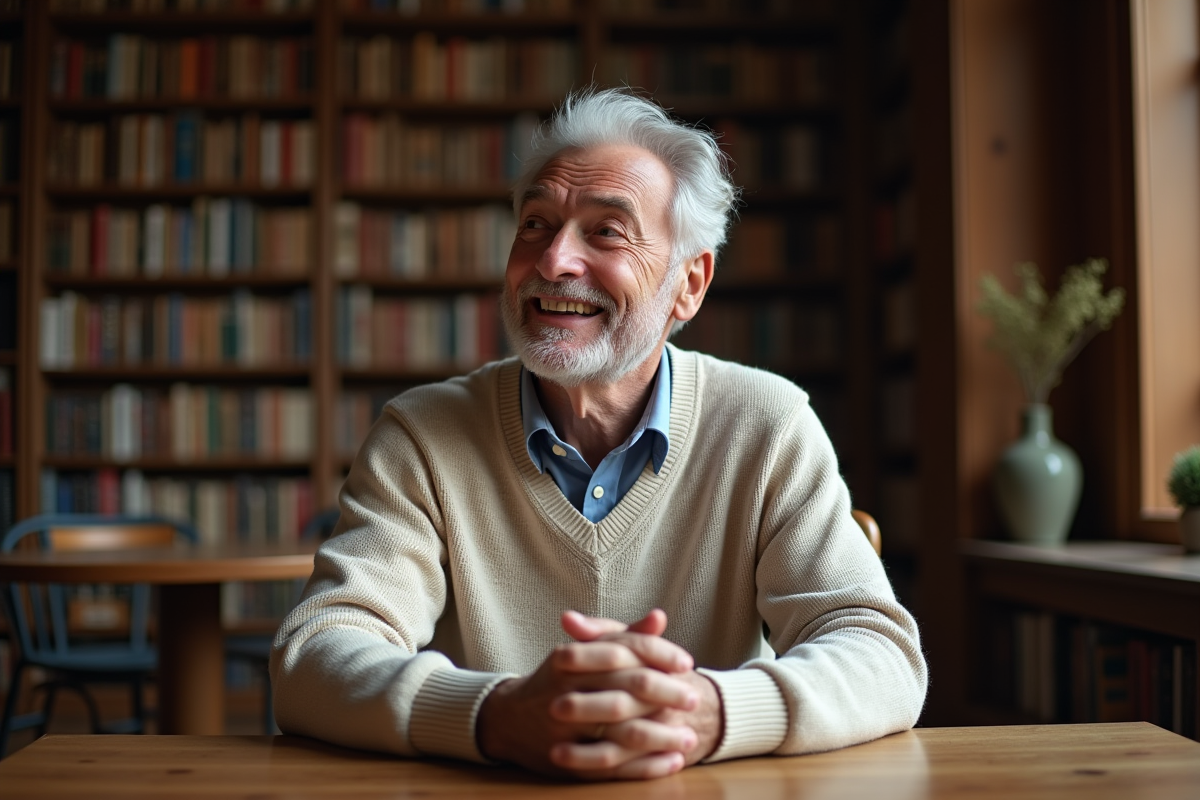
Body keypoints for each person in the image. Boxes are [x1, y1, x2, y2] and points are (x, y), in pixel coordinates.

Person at [270, 88, 927, 781]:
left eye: (606, 232)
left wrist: (708, 711)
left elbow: (880, 654)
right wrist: (493, 714)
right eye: (535, 224)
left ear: (689, 285)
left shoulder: (766, 424)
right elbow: (315, 657)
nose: (553, 261)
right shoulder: (423, 435)